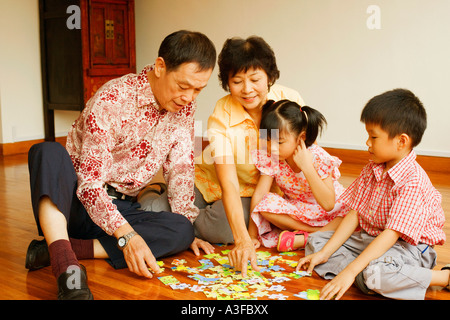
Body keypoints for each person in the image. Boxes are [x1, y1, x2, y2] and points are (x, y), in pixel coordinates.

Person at [25, 30, 216, 300]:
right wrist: (127, 237)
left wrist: (186, 231)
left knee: (182, 228)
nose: (190, 97)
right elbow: (89, 185)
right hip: (75, 205)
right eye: (184, 86)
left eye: (199, 89)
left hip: (123, 207)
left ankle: (61, 247)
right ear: (160, 67)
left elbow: (181, 167)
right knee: (46, 151)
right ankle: (66, 267)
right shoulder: (113, 98)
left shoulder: (184, 108)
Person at [296, 88, 448, 300]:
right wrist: (324, 253)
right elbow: (354, 214)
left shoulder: (413, 182)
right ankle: (365, 275)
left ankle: (443, 277)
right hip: (373, 238)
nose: (367, 142)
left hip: (409, 249)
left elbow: (391, 235)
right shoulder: (372, 167)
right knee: (317, 242)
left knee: (379, 274)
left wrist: (349, 271)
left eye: (373, 136)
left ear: (401, 141)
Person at [193, 36, 305, 276]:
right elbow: (229, 183)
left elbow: (302, 158)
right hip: (209, 180)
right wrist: (243, 241)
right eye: (237, 81)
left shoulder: (291, 103)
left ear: (270, 77)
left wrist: (242, 237)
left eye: (255, 79)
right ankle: (172, 211)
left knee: (228, 228)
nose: (246, 89)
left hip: (259, 192)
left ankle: (181, 221)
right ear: (227, 83)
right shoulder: (221, 114)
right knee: (154, 207)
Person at [249, 99, 350, 251]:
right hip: (300, 212)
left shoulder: (317, 157)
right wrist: (251, 235)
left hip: (331, 210)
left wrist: (307, 167)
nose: (272, 148)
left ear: (301, 138)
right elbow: (260, 194)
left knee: (353, 213)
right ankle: (314, 233)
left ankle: (309, 237)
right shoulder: (272, 156)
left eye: (280, 142)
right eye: (268, 140)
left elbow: (329, 204)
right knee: (264, 204)